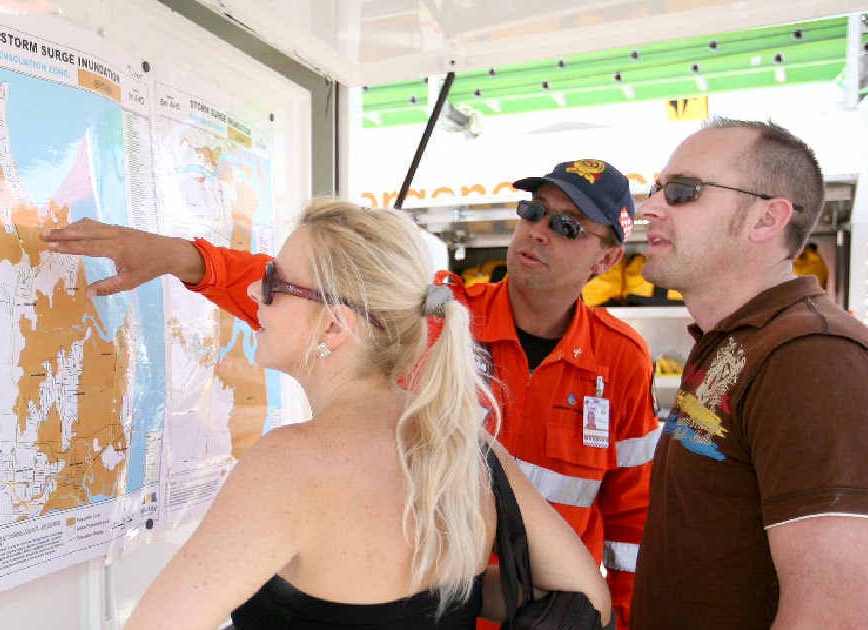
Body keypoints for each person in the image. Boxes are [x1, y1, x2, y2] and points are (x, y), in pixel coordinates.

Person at [43, 200, 611, 629]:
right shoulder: (467, 449)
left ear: (335, 327)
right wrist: (449, 591)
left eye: (273, 281)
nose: (260, 297)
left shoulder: (290, 466)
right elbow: (590, 598)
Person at [632, 119, 868, 629]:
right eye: (655, 190)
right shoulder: (735, 342)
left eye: (682, 192)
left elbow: (835, 615)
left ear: (767, 219)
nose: (649, 207)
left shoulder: (811, 354)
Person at [470, 160, 660, 630]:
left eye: (566, 226)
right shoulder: (447, 321)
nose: (537, 231)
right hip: (439, 611)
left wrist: (625, 621)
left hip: (549, 620)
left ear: (606, 261)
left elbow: (633, 521)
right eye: (533, 211)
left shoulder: (622, 360)